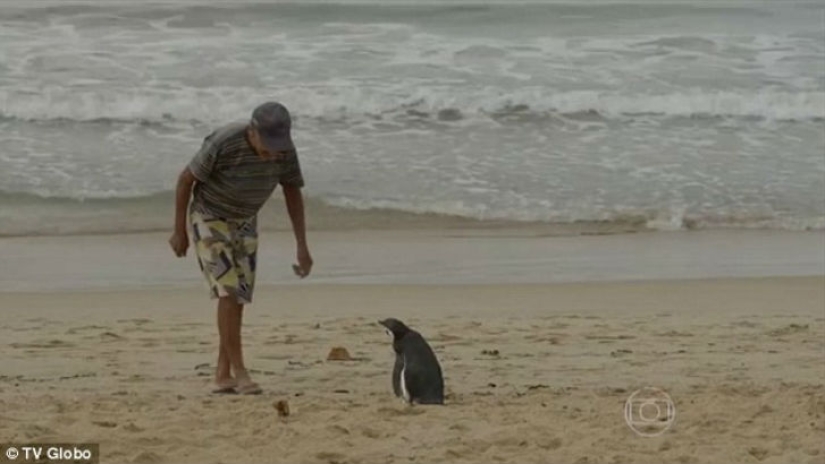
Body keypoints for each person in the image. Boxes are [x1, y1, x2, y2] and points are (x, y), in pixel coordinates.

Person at [168, 101, 313, 395]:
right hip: (209, 215)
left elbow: (292, 192)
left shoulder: (285, 151)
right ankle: (241, 371)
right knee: (228, 291)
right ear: (252, 131)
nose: (273, 153)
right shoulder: (225, 142)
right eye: (267, 144)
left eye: (278, 145)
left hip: (245, 220)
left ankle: (222, 374)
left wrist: (302, 245)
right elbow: (185, 180)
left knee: (238, 298)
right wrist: (179, 230)